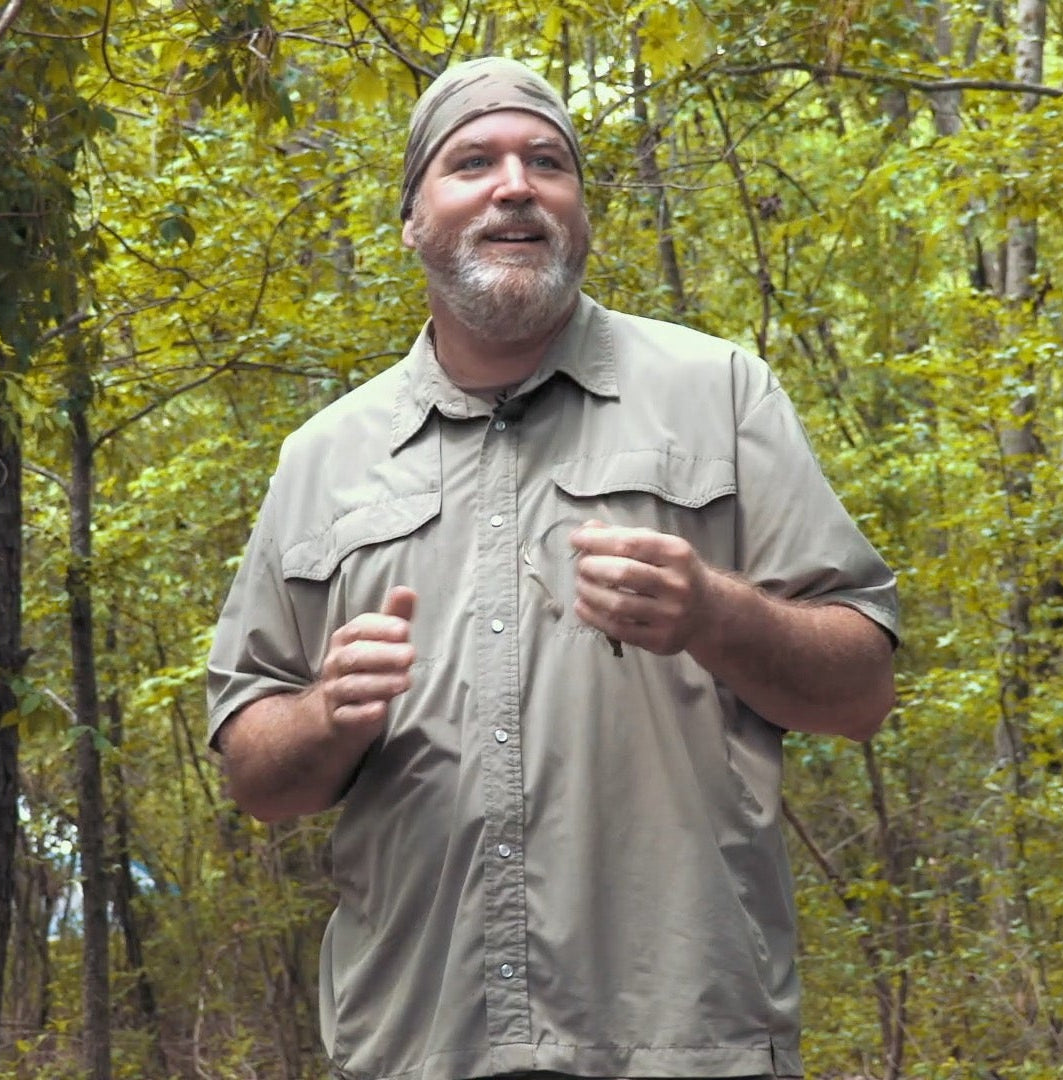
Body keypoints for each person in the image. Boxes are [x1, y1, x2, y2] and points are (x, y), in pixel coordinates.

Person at [207, 56, 898, 1080]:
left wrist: (713, 612)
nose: (515, 184)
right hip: (416, 1044)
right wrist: (324, 716)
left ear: (581, 213)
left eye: (547, 161)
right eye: (471, 161)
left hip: (684, 1041)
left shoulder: (721, 392)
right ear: (413, 220)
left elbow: (863, 691)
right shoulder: (326, 456)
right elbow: (254, 773)